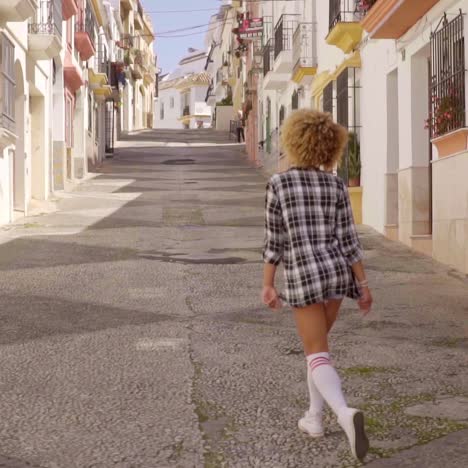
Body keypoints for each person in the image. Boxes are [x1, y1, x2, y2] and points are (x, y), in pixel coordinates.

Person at [261, 109, 372, 461]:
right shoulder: (336, 184)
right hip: (337, 274)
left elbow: (274, 241)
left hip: (304, 275)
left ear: (293, 142)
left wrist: (268, 284)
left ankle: (343, 414)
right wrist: (363, 284)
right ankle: (314, 418)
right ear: (329, 146)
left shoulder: (279, 184)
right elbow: (349, 240)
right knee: (318, 349)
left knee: (316, 352)